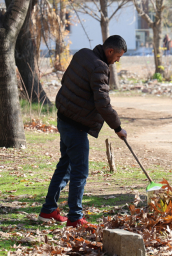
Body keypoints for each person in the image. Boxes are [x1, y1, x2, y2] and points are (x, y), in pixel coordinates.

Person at [38, 35, 128, 228]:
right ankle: (75, 217)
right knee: (80, 172)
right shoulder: (100, 67)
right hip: (75, 125)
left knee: (65, 166)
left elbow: (68, 80)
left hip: (64, 118)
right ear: (110, 51)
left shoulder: (82, 54)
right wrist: (118, 128)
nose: (117, 61)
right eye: (118, 56)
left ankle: (48, 210)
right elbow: (103, 104)